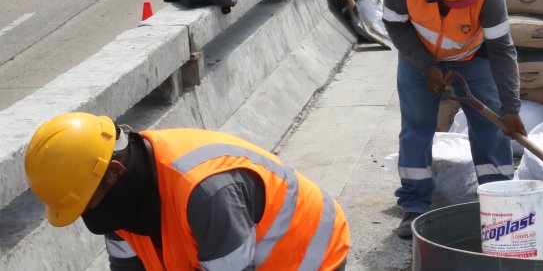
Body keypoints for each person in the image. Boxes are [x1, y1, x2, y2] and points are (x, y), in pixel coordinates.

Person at [24, 112, 351, 270]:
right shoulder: (117, 196)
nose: (88, 214)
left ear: (115, 172)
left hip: (309, 257)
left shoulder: (204, 191)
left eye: (86, 203)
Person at [382, 0, 525, 238]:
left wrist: (511, 108)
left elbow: (502, 50)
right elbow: (395, 27)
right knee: (416, 127)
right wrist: (427, 67)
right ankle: (415, 206)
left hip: (474, 57)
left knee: (491, 126)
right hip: (419, 56)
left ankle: (500, 200)